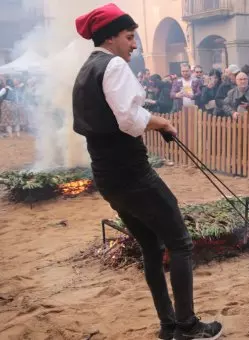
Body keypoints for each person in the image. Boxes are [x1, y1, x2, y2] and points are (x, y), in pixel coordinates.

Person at [71, 4, 222, 339]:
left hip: (109, 178)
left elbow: (114, 116)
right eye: (129, 37)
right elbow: (128, 119)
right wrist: (162, 122)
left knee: (151, 247)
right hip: (133, 175)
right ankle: (187, 326)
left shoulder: (87, 69)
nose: (135, 44)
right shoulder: (112, 65)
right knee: (180, 243)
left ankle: (168, 326)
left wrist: (152, 123)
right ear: (110, 38)